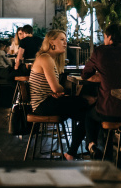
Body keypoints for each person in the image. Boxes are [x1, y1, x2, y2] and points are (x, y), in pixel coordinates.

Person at [29, 29, 90, 160]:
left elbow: (53, 89)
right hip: (42, 105)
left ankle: (75, 151)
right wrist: (61, 91)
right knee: (86, 105)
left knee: (87, 115)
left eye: (65, 40)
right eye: (62, 39)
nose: (65, 43)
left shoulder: (49, 58)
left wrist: (58, 92)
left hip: (45, 103)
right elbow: (56, 88)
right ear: (51, 42)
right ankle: (87, 147)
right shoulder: (45, 58)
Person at [82, 23, 121, 158]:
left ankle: (92, 146)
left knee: (89, 115)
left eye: (104, 37)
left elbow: (85, 74)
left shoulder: (100, 51)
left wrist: (102, 75)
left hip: (108, 110)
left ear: (109, 37)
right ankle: (119, 147)